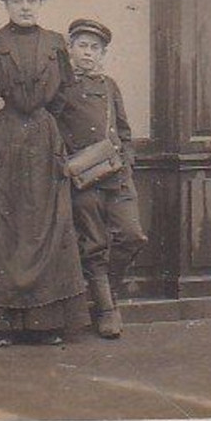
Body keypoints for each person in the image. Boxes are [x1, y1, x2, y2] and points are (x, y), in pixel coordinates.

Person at [0, 0, 90, 345]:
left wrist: (50, 127)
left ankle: (45, 323)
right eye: (17, 0)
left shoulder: (55, 44)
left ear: (41, 4)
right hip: (5, 141)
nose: (24, 6)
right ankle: (1, 323)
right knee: (4, 230)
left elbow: (66, 93)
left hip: (44, 139)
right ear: (5, 4)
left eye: (32, 0)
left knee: (47, 226)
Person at [52, 17, 149, 339]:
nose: (88, 53)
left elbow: (123, 129)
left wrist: (128, 162)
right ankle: (107, 309)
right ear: (70, 49)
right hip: (83, 179)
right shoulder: (61, 88)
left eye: (95, 48)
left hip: (117, 176)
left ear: (103, 53)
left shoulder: (109, 86)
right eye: (82, 46)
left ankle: (109, 292)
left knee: (132, 236)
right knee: (94, 244)